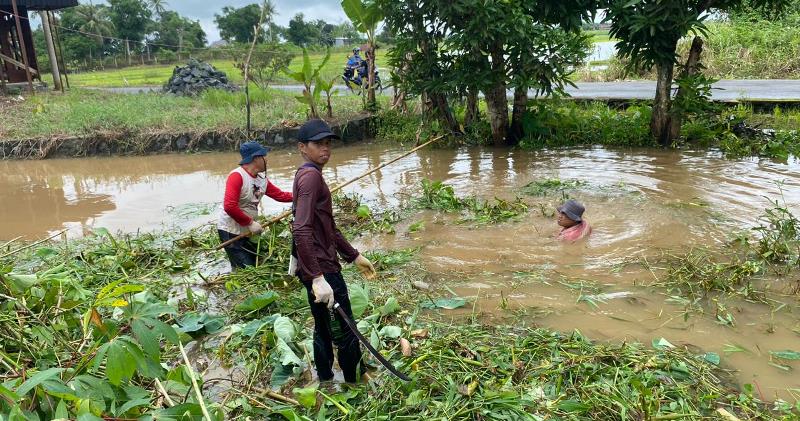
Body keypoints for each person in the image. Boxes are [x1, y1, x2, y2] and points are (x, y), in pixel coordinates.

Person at [291, 119, 377, 383]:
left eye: (328, 143)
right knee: (346, 329)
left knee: (323, 326)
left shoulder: (305, 174)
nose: (325, 149)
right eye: (318, 144)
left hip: (313, 265)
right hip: (322, 268)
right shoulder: (311, 177)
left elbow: (326, 227)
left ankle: (326, 378)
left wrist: (354, 255)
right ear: (302, 147)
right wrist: (317, 278)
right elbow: (301, 229)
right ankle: (354, 382)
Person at [217, 141, 293, 269]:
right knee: (246, 269)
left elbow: (280, 195)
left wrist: (303, 195)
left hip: (248, 230)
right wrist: (250, 223)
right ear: (256, 158)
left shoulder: (261, 179)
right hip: (231, 230)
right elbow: (229, 206)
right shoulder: (237, 176)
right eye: (264, 156)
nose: (267, 159)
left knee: (256, 263)